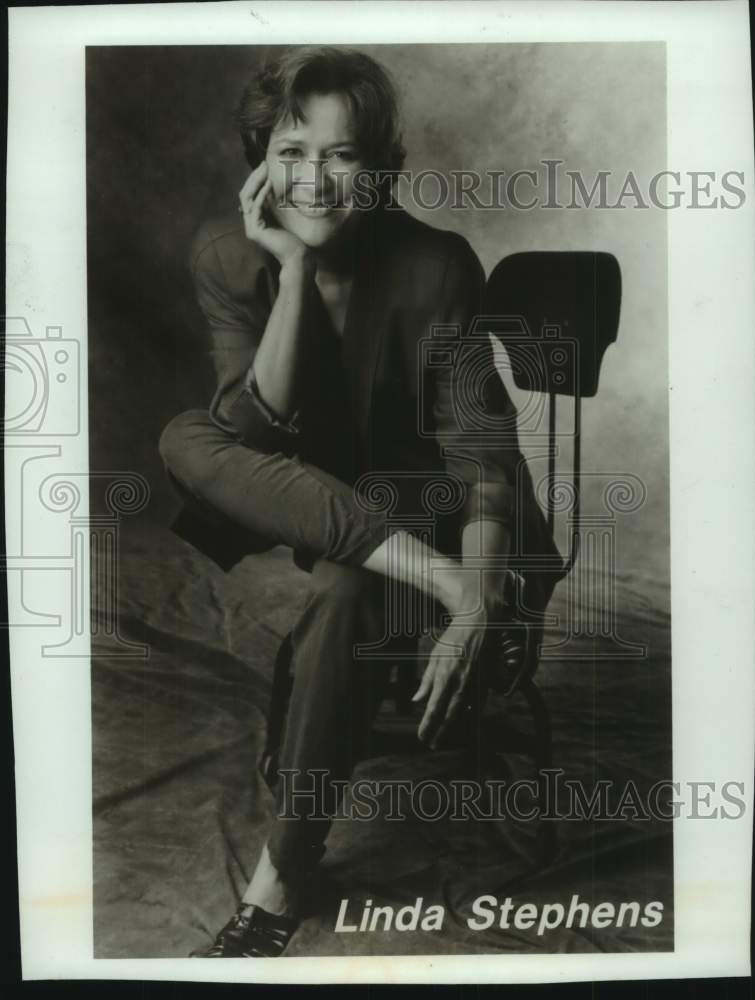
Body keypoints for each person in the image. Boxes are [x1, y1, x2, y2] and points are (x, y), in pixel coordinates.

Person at [158, 45, 564, 957]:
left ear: (376, 168)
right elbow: (252, 436)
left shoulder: (438, 264)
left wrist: (483, 586)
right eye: (292, 151)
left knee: (345, 592)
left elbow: (483, 456)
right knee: (186, 436)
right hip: (329, 503)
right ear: (261, 155)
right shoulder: (229, 258)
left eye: (340, 157)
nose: (313, 179)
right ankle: (434, 579)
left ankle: (278, 878)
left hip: (449, 512)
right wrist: (291, 274)